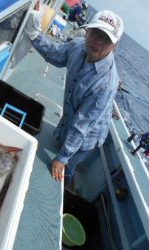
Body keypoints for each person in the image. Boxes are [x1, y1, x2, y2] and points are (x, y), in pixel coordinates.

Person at [25, 6, 124, 186]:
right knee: (61, 143)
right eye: (95, 33)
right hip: (70, 118)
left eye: (106, 39)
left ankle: (67, 184)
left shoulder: (106, 84)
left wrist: (62, 158)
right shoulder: (78, 46)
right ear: (87, 31)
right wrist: (34, 34)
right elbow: (54, 54)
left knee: (64, 171)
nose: (97, 42)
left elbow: (82, 126)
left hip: (88, 136)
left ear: (114, 46)